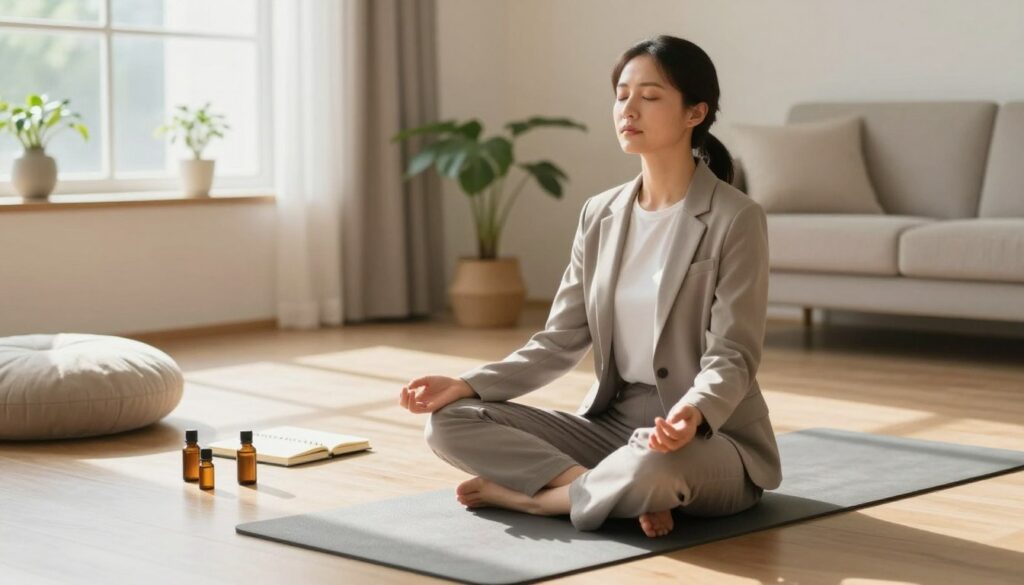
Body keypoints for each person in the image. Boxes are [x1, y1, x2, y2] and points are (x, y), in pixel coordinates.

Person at [398, 34, 782, 538]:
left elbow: (732, 354)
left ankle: (542, 501)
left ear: (695, 113)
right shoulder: (599, 214)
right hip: (612, 427)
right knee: (450, 421)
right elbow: (558, 342)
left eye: (650, 96)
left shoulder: (736, 217)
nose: (629, 108)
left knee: (654, 467)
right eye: (622, 94)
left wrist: (691, 415)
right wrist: (468, 384)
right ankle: (602, 490)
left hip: (709, 436)